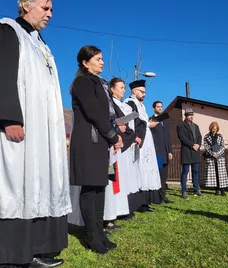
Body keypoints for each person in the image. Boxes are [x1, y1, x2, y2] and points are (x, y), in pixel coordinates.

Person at [0, 0, 72, 268]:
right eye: (45, 8)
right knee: (18, 181)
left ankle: (38, 249)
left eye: (51, 9)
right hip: (20, 125)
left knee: (40, 180)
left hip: (43, 130)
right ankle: (12, 256)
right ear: (26, 6)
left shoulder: (40, 44)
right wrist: (9, 117)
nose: (50, 14)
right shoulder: (8, 30)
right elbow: (3, 74)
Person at [69, 45, 123, 254]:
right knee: (90, 188)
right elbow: (93, 112)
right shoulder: (83, 82)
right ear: (85, 62)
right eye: (98, 59)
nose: (102, 62)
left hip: (99, 139)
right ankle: (91, 236)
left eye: (101, 59)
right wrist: (112, 135)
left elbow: (106, 114)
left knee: (99, 187)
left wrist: (112, 135)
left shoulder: (99, 84)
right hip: (88, 139)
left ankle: (99, 232)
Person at [124, 80, 161, 211]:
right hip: (138, 140)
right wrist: (147, 125)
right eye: (142, 91)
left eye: (145, 92)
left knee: (146, 168)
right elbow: (131, 121)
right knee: (139, 168)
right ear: (134, 91)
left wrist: (149, 123)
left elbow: (142, 121)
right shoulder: (130, 103)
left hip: (146, 140)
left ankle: (145, 202)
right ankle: (138, 202)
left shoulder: (142, 106)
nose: (144, 94)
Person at [109, 78, 142, 217]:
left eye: (124, 87)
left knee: (122, 178)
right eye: (121, 87)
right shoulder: (111, 104)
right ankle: (114, 211)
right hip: (115, 145)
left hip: (123, 143)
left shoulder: (120, 105)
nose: (123, 90)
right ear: (112, 89)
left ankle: (122, 209)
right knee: (115, 178)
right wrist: (118, 127)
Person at [177, 108, 203, 199]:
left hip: (195, 151)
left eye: (192, 115)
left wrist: (198, 145)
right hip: (187, 151)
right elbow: (182, 138)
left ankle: (196, 189)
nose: (191, 116)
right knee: (185, 171)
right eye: (189, 115)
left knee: (195, 171)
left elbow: (200, 136)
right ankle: (184, 191)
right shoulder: (180, 126)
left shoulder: (196, 126)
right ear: (185, 116)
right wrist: (192, 145)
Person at [150, 101, 173, 203]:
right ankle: (157, 197)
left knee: (164, 176)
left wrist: (170, 151)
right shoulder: (151, 120)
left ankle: (163, 196)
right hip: (157, 153)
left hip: (165, 153)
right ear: (154, 108)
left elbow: (167, 136)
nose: (160, 108)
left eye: (161, 107)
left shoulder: (165, 120)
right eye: (158, 107)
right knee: (157, 175)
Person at [203, 122, 228, 196]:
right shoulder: (206, 136)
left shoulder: (220, 136)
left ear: (217, 129)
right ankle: (216, 189)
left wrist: (218, 153)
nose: (214, 130)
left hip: (220, 157)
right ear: (210, 128)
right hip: (211, 157)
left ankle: (222, 190)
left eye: (215, 129)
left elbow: (223, 146)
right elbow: (206, 147)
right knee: (214, 174)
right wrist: (213, 154)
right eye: (213, 129)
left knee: (221, 174)